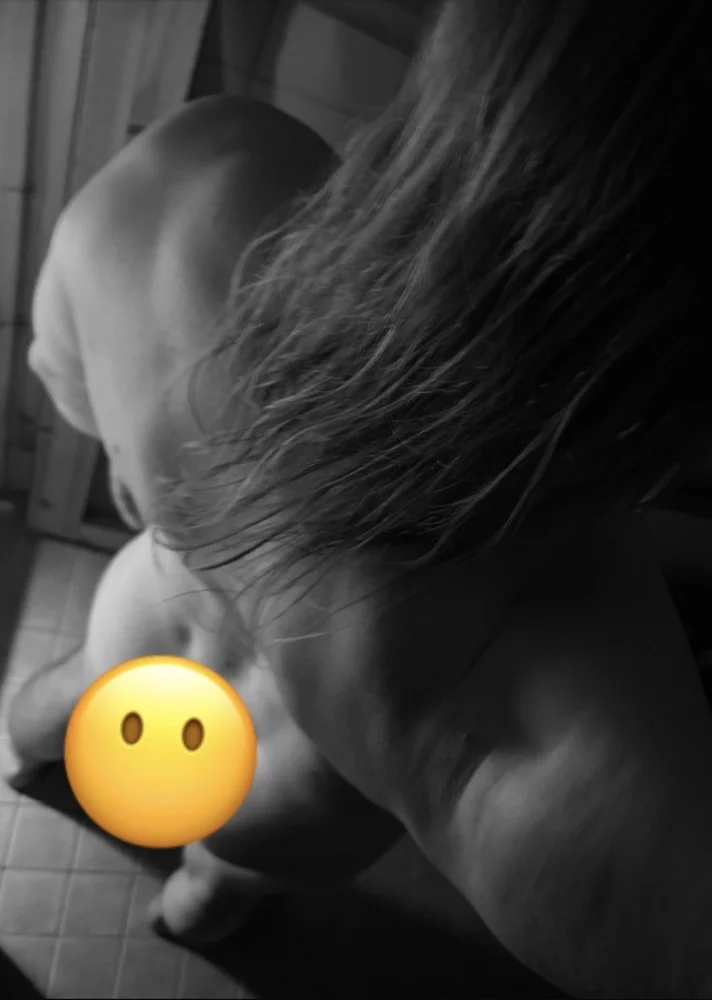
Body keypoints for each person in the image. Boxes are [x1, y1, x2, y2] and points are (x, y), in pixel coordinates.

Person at [6, 1, 712, 996]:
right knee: (223, 878)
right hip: (278, 799)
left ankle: (27, 750)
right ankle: (199, 907)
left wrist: (150, 463)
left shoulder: (202, 170)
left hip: (143, 629)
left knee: (73, 700)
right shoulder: (583, 643)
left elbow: (67, 378)